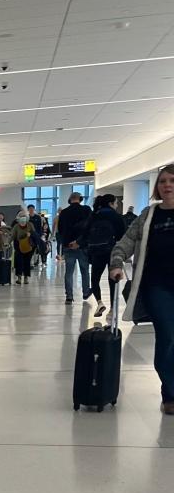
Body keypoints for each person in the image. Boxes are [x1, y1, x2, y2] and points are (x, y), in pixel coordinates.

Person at [110, 164, 174, 415]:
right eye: (163, 181)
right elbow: (125, 243)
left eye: (172, 180)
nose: (167, 185)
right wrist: (117, 263)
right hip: (157, 286)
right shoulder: (148, 216)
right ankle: (170, 394)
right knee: (168, 337)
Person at [86, 193, 126, 318]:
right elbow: (122, 234)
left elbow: (86, 231)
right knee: (112, 279)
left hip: (97, 251)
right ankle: (113, 308)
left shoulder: (94, 215)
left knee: (95, 279)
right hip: (112, 250)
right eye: (116, 203)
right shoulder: (116, 216)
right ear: (111, 204)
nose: (117, 205)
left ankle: (99, 302)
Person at [58, 192, 93, 304]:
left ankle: (69, 296)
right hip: (82, 245)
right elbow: (90, 226)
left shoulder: (63, 212)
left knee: (69, 272)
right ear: (80, 199)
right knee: (84, 271)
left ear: (70, 199)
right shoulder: (86, 210)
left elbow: (61, 229)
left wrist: (67, 242)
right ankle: (86, 292)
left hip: (68, 246)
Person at [11, 214, 36, 284]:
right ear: (18, 218)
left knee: (27, 262)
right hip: (18, 245)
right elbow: (12, 235)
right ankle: (19, 277)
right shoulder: (16, 226)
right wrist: (7, 243)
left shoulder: (30, 225)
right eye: (21, 217)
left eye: (24, 217)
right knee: (19, 261)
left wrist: (30, 234)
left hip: (28, 245)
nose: (22, 219)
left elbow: (34, 234)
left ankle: (26, 277)